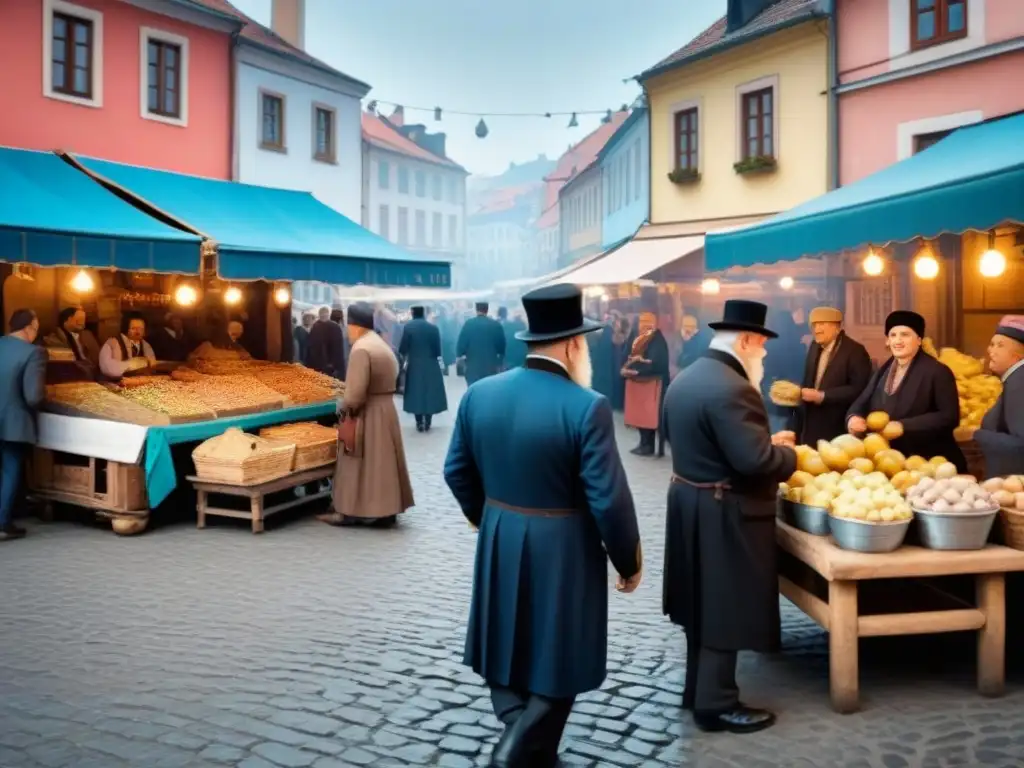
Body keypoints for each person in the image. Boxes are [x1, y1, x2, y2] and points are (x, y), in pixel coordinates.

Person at [444, 284, 642, 767]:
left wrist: (485, 518)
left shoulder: (479, 394)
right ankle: (513, 752)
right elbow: (608, 499)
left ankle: (531, 745)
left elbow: (455, 470)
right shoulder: (586, 404)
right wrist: (628, 560)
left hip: (500, 533)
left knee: (506, 639)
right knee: (562, 651)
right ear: (573, 344)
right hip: (565, 544)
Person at [662, 299, 797, 734]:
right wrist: (788, 454)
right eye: (761, 344)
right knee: (723, 606)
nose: (765, 353)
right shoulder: (733, 387)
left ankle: (697, 691)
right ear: (745, 340)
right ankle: (717, 704)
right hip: (724, 510)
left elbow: (711, 441)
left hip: (690, 500)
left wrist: (761, 442)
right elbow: (755, 462)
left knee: (700, 605)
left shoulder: (689, 376)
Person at [320, 302, 413, 527]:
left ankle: (348, 511)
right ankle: (386, 510)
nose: (347, 332)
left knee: (355, 463)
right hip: (386, 410)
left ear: (355, 326)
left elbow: (355, 394)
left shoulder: (361, 349)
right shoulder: (381, 345)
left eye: (348, 327)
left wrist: (342, 408)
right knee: (384, 464)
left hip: (369, 413)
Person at [847, 310, 966, 472]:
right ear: (887, 341)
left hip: (930, 463)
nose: (898, 341)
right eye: (893, 335)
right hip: (891, 462)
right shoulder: (883, 370)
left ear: (919, 340)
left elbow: (949, 417)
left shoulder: (938, 371)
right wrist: (853, 418)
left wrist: (904, 426)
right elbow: (861, 402)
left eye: (905, 335)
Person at [794, 307, 873, 445]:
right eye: (814, 325)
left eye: (822, 324)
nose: (816, 329)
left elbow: (860, 389)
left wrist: (823, 396)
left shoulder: (855, 351)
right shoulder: (814, 346)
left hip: (839, 425)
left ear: (837, 326)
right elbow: (808, 380)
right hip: (812, 424)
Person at [0, 309, 47, 541]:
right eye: (36, 329)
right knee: (10, 470)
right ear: (28, 327)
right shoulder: (34, 353)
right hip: (13, 422)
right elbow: (34, 396)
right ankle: (2, 524)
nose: (35, 334)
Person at [973, 315, 1024, 477]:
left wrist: (975, 435)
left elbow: (1021, 444)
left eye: (1000, 345)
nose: (990, 350)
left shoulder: (1019, 382)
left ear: (1019, 355)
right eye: (992, 344)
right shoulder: (1013, 380)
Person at [621, 311, 670, 457]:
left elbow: (657, 362)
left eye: (648, 322)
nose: (644, 325)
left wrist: (638, 369)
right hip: (637, 382)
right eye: (642, 322)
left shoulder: (656, 338)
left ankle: (649, 446)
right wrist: (627, 368)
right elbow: (627, 354)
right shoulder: (636, 336)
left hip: (652, 383)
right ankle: (643, 443)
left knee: (650, 416)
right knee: (639, 415)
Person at [398, 306, 447, 432]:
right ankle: (428, 421)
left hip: (414, 364)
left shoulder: (408, 328)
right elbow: (438, 350)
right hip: (431, 364)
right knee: (429, 393)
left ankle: (419, 422)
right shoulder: (433, 328)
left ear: (413, 313)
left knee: (415, 393)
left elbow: (403, 348)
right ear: (424, 314)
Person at [457, 302, 506, 385]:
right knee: (489, 388)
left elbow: (461, 343)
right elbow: (502, 346)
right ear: (487, 310)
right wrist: (500, 361)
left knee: (473, 388)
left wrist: (459, 355)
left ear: (476, 310)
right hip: (490, 365)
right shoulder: (496, 325)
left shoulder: (469, 324)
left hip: (473, 365)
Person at [98, 312, 156, 381]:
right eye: (133, 328)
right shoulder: (112, 343)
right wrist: (132, 364)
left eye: (141, 329)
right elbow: (107, 369)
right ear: (126, 328)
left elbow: (152, 367)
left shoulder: (145, 345)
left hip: (137, 384)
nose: (138, 332)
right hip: (112, 384)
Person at [188, 317, 252, 364]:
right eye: (240, 330)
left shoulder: (237, 346)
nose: (241, 332)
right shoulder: (208, 346)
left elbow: (245, 355)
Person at [307, 306, 346, 380]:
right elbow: (338, 350)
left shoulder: (314, 328)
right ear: (328, 314)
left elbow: (311, 348)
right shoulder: (336, 327)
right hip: (332, 367)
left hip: (317, 367)